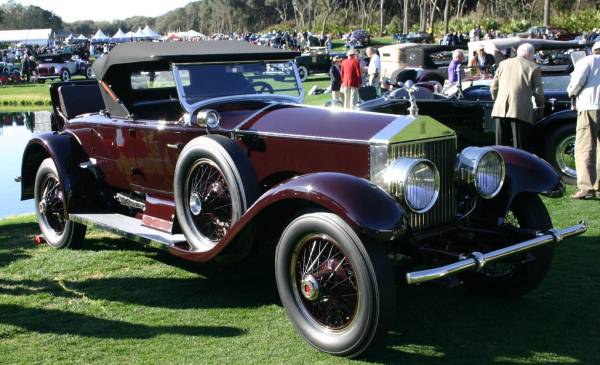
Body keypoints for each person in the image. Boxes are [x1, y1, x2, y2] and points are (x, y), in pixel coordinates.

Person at [491, 43, 544, 149]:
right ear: (530, 54)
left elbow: (493, 87)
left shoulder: (503, 64)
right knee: (519, 148)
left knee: (500, 147)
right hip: (520, 111)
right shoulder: (534, 67)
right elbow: (538, 91)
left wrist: (497, 101)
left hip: (500, 109)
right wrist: (540, 106)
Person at [566, 42, 600, 199]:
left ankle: (587, 187)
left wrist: (571, 91)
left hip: (590, 106)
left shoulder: (588, 60)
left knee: (585, 147)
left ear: (593, 50)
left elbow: (577, 81)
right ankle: (598, 183)